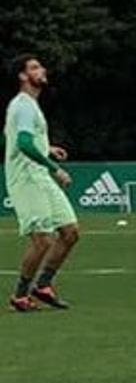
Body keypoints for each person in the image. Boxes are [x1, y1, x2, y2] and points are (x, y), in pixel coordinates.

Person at [5, 55, 79, 312]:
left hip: (39, 175)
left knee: (70, 232)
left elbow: (16, 141)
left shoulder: (30, 106)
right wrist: (54, 168)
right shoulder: (23, 105)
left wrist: (47, 149)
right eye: (35, 68)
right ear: (23, 76)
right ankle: (20, 295)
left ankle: (43, 285)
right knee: (43, 239)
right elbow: (23, 144)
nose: (42, 70)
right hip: (27, 179)